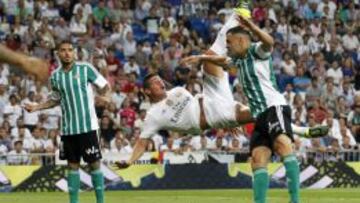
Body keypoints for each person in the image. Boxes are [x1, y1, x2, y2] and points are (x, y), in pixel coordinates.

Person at [185, 14, 301, 203]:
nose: (228, 46)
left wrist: (253, 27)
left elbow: (269, 43)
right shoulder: (238, 60)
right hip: (259, 115)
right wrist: (199, 57)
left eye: (229, 42)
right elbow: (223, 62)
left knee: (282, 144)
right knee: (258, 158)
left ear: (241, 40)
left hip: (273, 106)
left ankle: (295, 200)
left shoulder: (256, 51)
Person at [24, 40, 111, 203]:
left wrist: (106, 97)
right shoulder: (55, 76)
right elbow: (55, 99)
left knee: (94, 165)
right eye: (63, 50)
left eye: (70, 50)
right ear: (58, 53)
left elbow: (105, 86)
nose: (67, 53)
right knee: (72, 166)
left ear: (74, 52)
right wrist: (36, 108)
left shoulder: (85, 69)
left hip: (88, 127)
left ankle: (100, 201)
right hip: (68, 130)